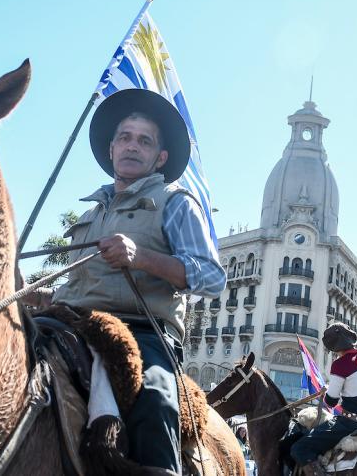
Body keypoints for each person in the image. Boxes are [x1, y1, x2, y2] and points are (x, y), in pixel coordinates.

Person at [48, 88, 225, 473]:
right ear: (111, 149)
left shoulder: (176, 202)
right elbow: (77, 283)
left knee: (155, 400)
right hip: (69, 322)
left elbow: (212, 278)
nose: (132, 146)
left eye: (144, 141)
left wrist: (140, 256)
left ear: (159, 157)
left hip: (142, 332)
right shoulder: (93, 211)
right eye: (124, 138)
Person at [289, 323, 357, 471]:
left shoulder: (340, 364)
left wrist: (325, 392)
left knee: (299, 448)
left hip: (349, 424)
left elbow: (331, 401)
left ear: (333, 347)